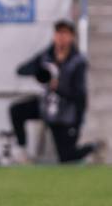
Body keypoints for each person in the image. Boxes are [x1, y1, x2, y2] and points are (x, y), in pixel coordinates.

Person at [10, 19, 104, 163]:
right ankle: (21, 148)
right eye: (58, 33)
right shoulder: (46, 55)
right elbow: (22, 69)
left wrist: (59, 88)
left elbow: (79, 94)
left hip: (64, 114)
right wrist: (41, 73)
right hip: (46, 106)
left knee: (66, 157)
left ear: (72, 37)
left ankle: (93, 147)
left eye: (65, 33)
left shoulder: (78, 61)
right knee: (16, 110)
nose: (61, 37)